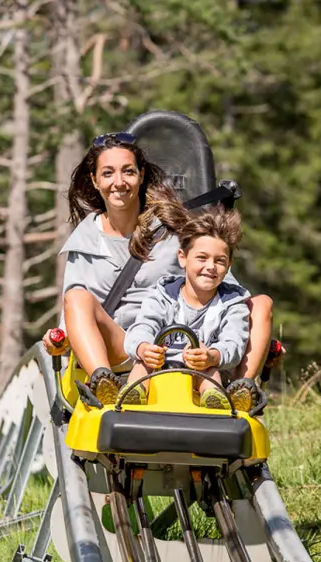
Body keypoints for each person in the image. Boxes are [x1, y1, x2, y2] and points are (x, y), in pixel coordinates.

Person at [43, 130, 280, 407]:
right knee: (76, 297)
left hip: (186, 343)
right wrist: (58, 342)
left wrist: (257, 342)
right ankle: (103, 383)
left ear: (141, 176)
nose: (119, 182)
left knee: (261, 303)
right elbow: (71, 317)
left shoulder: (172, 229)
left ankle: (242, 390)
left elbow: (224, 286)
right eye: (108, 173)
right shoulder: (84, 242)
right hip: (126, 348)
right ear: (95, 180)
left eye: (128, 172)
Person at [120, 201, 249, 409]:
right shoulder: (162, 295)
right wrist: (144, 348)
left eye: (220, 261)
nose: (210, 267)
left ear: (229, 265)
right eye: (202, 258)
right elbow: (143, 327)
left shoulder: (232, 303)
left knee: (210, 372)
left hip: (202, 371)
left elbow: (234, 343)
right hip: (161, 369)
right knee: (143, 365)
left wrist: (212, 355)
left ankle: (214, 403)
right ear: (183, 258)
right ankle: (133, 395)